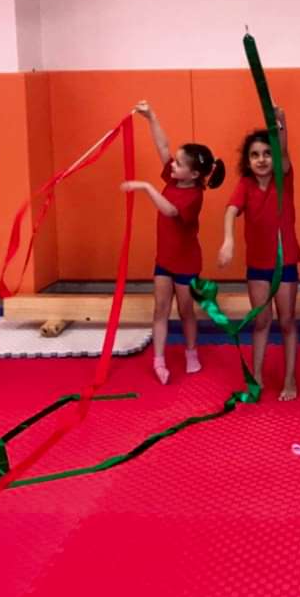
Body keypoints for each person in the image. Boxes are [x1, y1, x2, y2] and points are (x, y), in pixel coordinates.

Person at [121, 100, 225, 385]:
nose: (172, 164)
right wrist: (151, 117)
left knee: (186, 310)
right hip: (164, 260)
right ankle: (159, 359)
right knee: (160, 308)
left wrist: (145, 186)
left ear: (194, 174)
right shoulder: (174, 178)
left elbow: (169, 210)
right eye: (175, 161)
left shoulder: (194, 196)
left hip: (186, 263)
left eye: (179, 163)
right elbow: (163, 146)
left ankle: (191, 351)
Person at [218, 107, 300, 401]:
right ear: (247, 161)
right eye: (255, 155)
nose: (262, 159)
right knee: (262, 321)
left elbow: (284, 149)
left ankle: (290, 378)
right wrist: (228, 241)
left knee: (287, 321)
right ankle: (256, 377)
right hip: (258, 265)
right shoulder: (246, 184)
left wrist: (281, 122)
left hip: (285, 262)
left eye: (267, 153)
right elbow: (230, 211)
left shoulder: (283, 178)